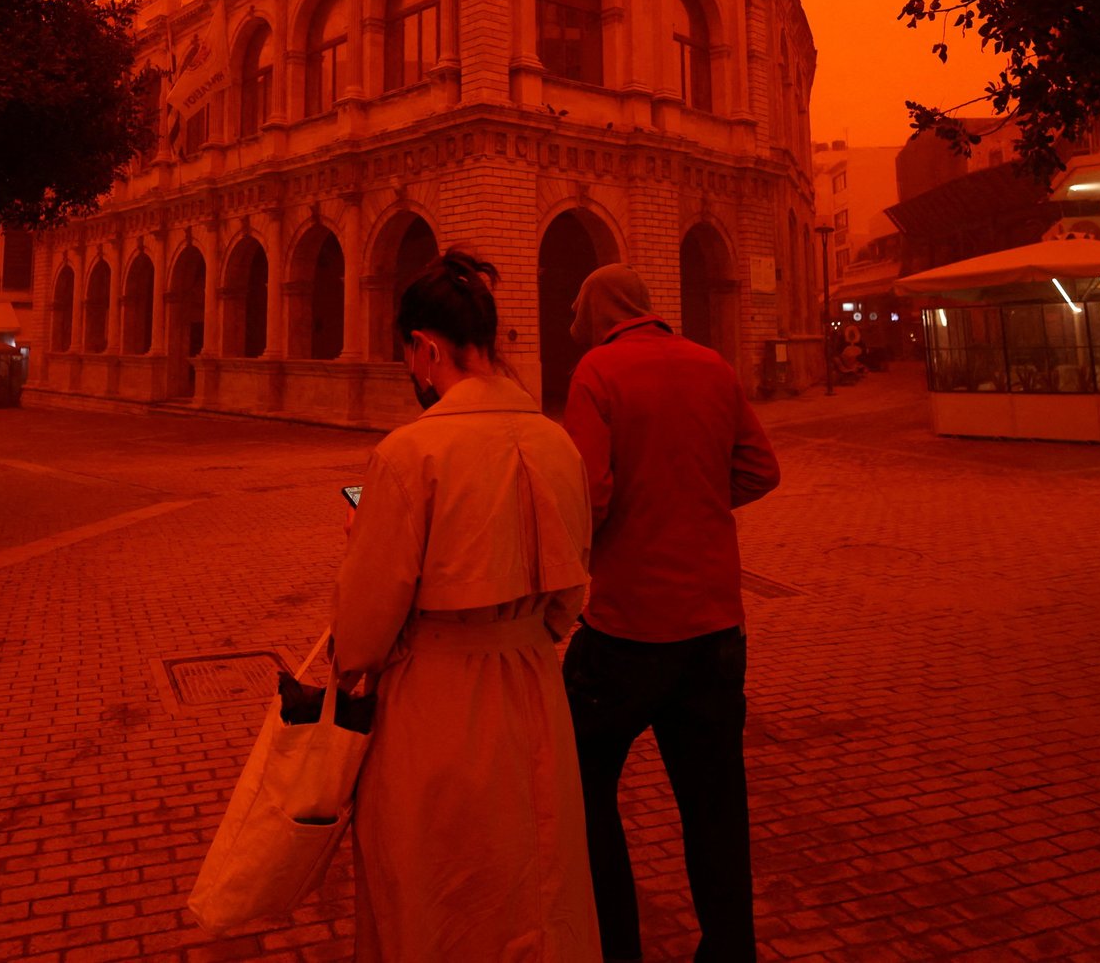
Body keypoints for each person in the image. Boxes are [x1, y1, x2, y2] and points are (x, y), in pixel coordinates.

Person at [333, 248, 601, 961]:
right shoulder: (555, 442)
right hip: (533, 687)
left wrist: (362, 540)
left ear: (426, 349)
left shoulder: (410, 452)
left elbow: (360, 632)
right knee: (536, 879)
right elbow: (570, 593)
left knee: (439, 892)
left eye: (409, 358)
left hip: (438, 700)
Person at [560, 265, 781, 963]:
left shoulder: (597, 373)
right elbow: (760, 469)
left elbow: (588, 497)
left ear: (598, 314)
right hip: (716, 627)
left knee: (581, 785)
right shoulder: (712, 366)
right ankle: (728, 949)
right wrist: (693, 502)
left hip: (627, 629)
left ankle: (615, 945)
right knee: (716, 805)